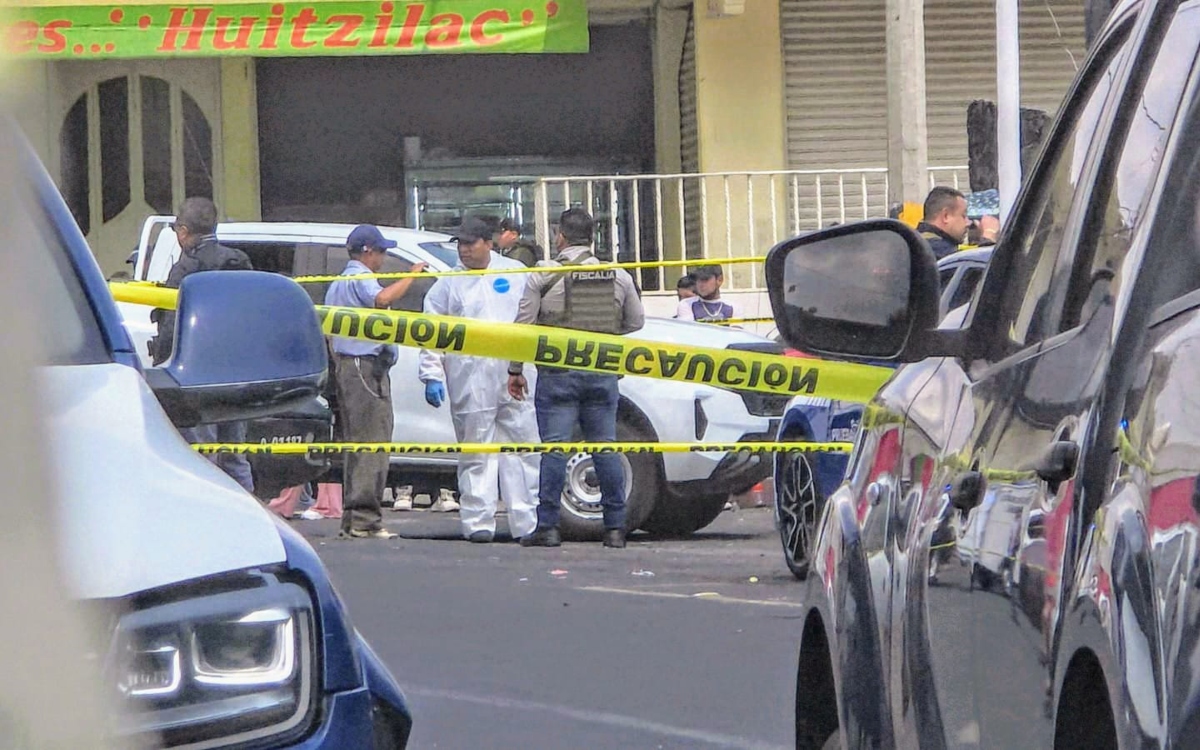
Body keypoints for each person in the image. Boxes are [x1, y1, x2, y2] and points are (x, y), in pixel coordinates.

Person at [507, 208, 645, 549]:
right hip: (602, 372)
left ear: (560, 236)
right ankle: (615, 529)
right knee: (605, 447)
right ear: (593, 239)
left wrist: (515, 370)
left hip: (558, 373)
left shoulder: (544, 275)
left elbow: (522, 326)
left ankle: (549, 527)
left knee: (555, 449)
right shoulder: (617, 275)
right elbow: (636, 322)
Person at [419, 216, 541, 543]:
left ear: (489, 243)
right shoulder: (448, 283)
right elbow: (432, 330)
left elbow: (533, 318)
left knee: (523, 450)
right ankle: (477, 523)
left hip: (515, 375)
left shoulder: (514, 274)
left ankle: (526, 522)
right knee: (476, 454)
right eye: (460, 244)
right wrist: (431, 372)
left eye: (470, 243)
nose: (464, 250)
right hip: (470, 378)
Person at [325, 224, 427, 540]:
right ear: (368, 251)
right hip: (364, 366)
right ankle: (364, 520)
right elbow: (381, 300)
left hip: (351, 365)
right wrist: (412, 276)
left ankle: (354, 518)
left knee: (359, 443)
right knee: (372, 441)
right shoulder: (359, 277)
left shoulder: (339, 282)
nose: (383, 257)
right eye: (381, 251)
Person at [149, 197, 256, 493]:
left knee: (201, 455)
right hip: (236, 374)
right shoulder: (240, 263)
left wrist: (163, 367)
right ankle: (249, 517)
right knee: (235, 455)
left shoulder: (186, 271)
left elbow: (170, 326)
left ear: (183, 231)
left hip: (197, 376)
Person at [916, 186, 971, 259]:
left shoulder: (917, 241)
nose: (968, 223)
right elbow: (963, 262)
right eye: (963, 216)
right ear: (946, 216)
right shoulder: (937, 249)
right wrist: (988, 237)